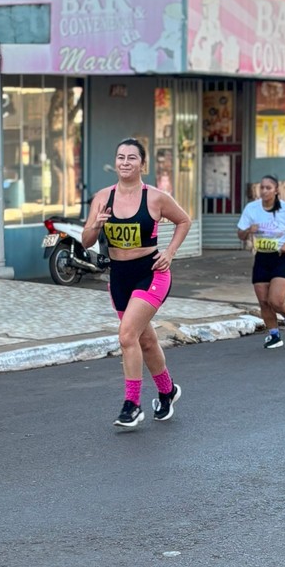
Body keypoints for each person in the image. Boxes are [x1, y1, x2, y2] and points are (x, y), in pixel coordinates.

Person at [81, 138, 192, 430]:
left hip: (151, 273)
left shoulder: (155, 198)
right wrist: (96, 224)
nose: (125, 162)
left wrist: (169, 253)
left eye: (132, 158)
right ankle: (167, 391)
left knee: (127, 335)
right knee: (145, 339)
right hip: (119, 277)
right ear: (115, 162)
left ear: (143, 164)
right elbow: (86, 241)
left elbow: (184, 221)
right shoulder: (103, 197)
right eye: (120, 157)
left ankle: (132, 405)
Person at [237, 176, 285, 349]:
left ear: (276, 190)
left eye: (268, 188)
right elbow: (240, 234)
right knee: (264, 302)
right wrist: (248, 231)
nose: (264, 191)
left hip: (282, 258)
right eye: (262, 188)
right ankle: (274, 335)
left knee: (275, 300)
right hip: (262, 257)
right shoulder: (252, 208)